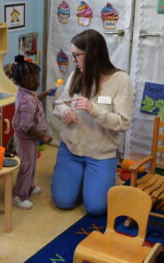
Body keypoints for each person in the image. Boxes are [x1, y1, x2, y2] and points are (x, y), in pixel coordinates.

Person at [51, 29, 133, 216]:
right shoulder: (77, 75)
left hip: (101, 153)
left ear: (92, 54)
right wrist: (63, 110)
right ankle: (82, 181)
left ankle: (92, 181)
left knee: (96, 208)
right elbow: (59, 103)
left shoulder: (121, 80)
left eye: (76, 55)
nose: (73, 60)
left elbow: (123, 123)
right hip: (71, 148)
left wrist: (92, 109)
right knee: (63, 202)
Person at [10, 55, 52, 209]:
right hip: (26, 139)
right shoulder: (26, 100)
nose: (38, 81)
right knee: (26, 167)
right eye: (37, 78)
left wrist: (45, 94)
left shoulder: (25, 93)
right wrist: (43, 136)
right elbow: (27, 125)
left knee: (32, 164)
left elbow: (34, 100)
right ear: (32, 81)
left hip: (30, 139)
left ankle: (30, 187)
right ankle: (19, 196)